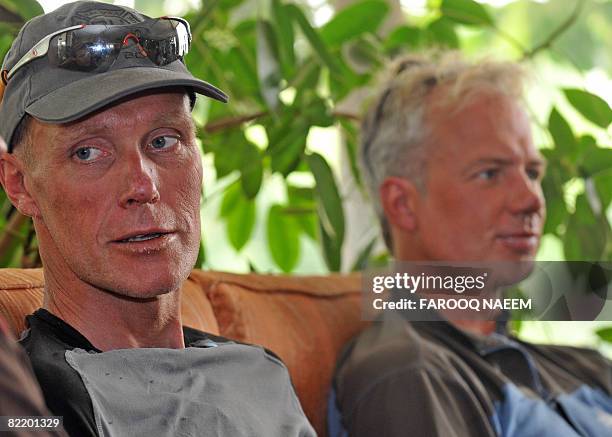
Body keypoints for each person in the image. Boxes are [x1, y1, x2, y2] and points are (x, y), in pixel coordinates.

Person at [0, 2, 315, 436]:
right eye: (88, 152)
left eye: (164, 140)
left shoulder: (260, 374)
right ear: (19, 184)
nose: (142, 185)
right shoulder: (30, 400)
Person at [329, 52, 612, 436]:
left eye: (532, 172)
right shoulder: (408, 375)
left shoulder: (586, 367)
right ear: (403, 205)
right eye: (490, 173)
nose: (532, 200)